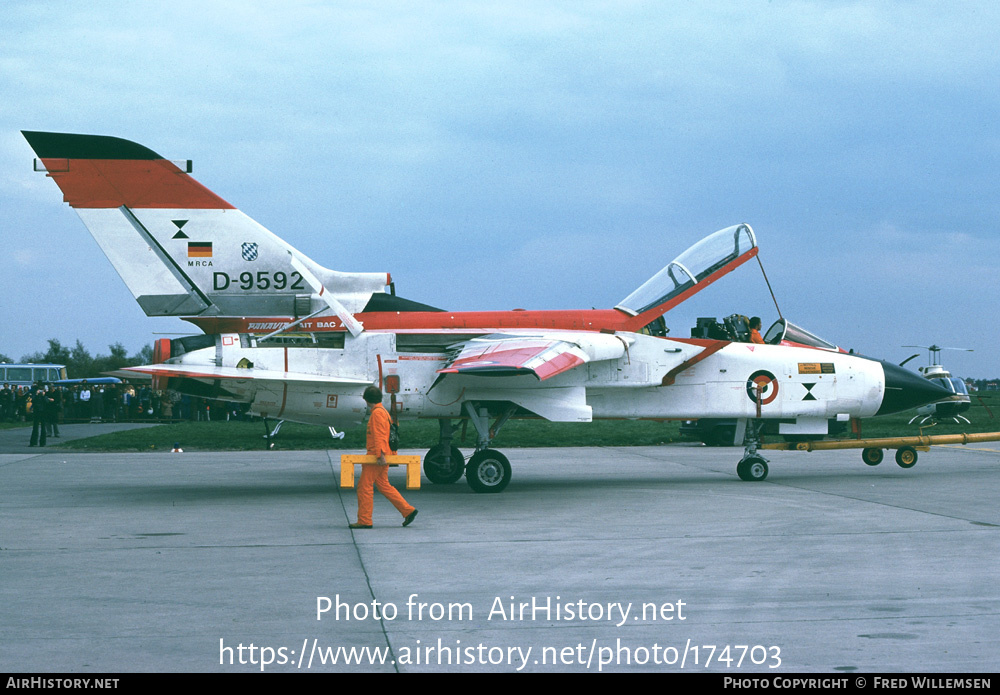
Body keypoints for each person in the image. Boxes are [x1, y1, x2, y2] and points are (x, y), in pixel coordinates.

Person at [350, 385, 417, 529]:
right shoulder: (384, 412)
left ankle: (364, 520)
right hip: (383, 455)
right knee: (384, 485)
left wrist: (380, 455)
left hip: (376, 456)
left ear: (367, 400)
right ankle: (408, 510)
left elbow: (379, 434)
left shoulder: (377, 414)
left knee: (364, 487)